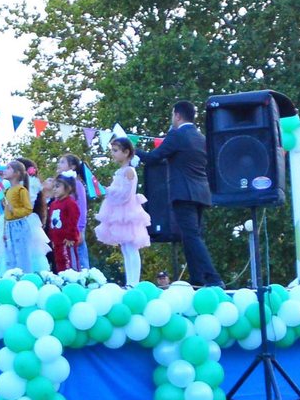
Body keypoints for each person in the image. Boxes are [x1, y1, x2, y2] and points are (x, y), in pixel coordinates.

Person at [139, 101, 221, 286]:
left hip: (184, 193)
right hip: (201, 193)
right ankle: (197, 279)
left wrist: (133, 151)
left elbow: (153, 158)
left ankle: (213, 277)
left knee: (191, 237)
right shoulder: (201, 137)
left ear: (177, 115)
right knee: (190, 237)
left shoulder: (177, 135)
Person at [97, 137, 153, 288]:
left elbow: (126, 193)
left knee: (131, 248)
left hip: (128, 212)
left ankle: (134, 282)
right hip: (119, 211)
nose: (113, 153)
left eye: (115, 150)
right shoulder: (120, 171)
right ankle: (130, 281)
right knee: (125, 248)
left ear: (126, 152)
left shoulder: (129, 171)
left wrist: (109, 191)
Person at [0, 161, 49, 275]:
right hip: (9, 226)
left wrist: (14, 211)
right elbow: (6, 213)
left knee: (22, 252)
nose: (5, 170)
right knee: (10, 253)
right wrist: (4, 229)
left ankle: (24, 274)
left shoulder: (22, 190)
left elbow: (28, 209)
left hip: (20, 225)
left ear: (16, 173)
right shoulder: (8, 190)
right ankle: (12, 275)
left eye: (8, 168)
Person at [56, 156, 95, 271]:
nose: (58, 164)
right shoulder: (60, 187)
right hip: (63, 228)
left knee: (79, 259)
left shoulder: (77, 185)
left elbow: (81, 208)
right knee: (67, 259)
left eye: (62, 162)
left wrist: (80, 229)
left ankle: (85, 279)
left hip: (75, 228)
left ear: (72, 166)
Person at [44, 177, 82, 274]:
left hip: (67, 242)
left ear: (68, 188)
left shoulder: (70, 203)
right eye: (53, 187)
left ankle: (73, 280)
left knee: (69, 264)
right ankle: (62, 280)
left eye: (57, 186)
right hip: (56, 241)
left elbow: (73, 221)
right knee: (59, 263)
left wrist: (70, 237)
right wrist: (52, 239)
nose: (54, 189)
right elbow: (51, 223)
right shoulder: (53, 204)